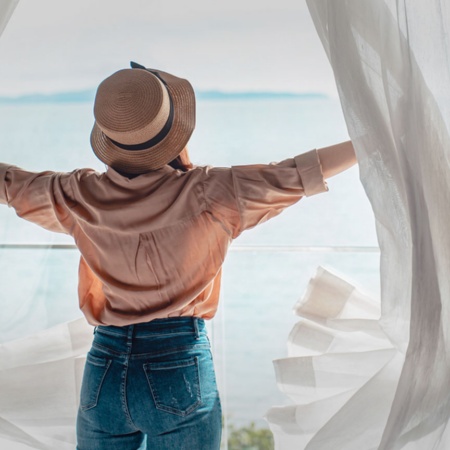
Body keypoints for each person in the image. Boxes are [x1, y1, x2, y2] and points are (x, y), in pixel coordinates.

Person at [0, 62, 357, 450]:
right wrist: (370, 141)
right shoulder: (210, 191)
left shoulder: (78, 194)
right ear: (172, 132)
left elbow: (9, 183)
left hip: (103, 363)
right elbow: (298, 173)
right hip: (178, 363)